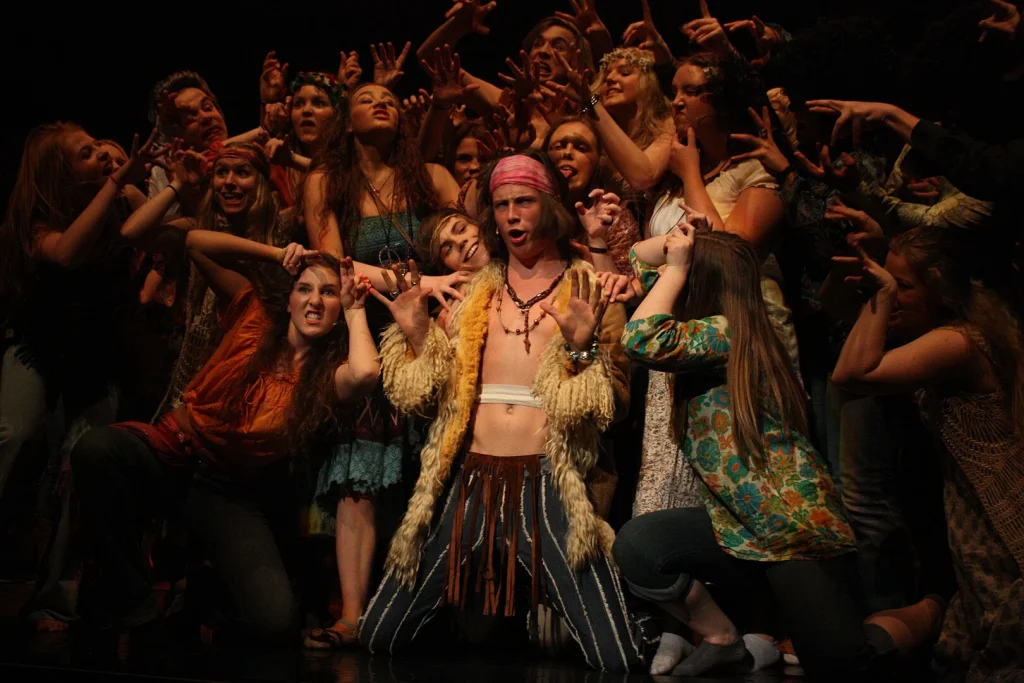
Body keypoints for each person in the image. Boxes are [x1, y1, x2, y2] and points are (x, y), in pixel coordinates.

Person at [359, 153, 652, 672]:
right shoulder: (473, 294)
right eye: (501, 205)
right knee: (379, 633)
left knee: (617, 656)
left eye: (524, 202)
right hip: (470, 482)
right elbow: (426, 404)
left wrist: (583, 349)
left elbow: (618, 406)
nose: (512, 215)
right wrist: (420, 335)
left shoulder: (589, 286)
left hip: (551, 486)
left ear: (550, 206)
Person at [612, 223, 945, 679]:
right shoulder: (709, 331)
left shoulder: (727, 333)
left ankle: (933, 609)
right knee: (639, 545)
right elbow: (637, 256)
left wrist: (677, 266)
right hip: (738, 528)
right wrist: (680, 239)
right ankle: (722, 637)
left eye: (682, 273)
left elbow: (640, 338)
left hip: (790, 530)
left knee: (844, 665)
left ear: (697, 282)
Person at [71, 233, 379, 641]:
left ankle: (202, 591)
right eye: (304, 289)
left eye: (329, 293)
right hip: (172, 453)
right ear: (288, 299)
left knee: (274, 622)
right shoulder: (254, 315)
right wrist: (277, 254)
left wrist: (356, 310)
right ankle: (134, 606)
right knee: (95, 450)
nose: (315, 301)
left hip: (226, 490)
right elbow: (196, 243)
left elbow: (365, 372)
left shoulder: (327, 377)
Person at [302, 81, 464, 648]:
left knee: (430, 470)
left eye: (393, 100)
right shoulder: (327, 181)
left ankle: (423, 609)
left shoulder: (433, 177)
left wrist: (439, 289)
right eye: (368, 97)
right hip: (364, 335)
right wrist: (416, 282)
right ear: (346, 120)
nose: (383, 103)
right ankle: (351, 615)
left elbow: (468, 242)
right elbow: (333, 263)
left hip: (431, 338)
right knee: (361, 477)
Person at [830, 228, 1024, 682]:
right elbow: (839, 325)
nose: (895, 295)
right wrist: (875, 290)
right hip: (971, 505)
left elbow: (851, 373)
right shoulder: (956, 331)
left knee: (1000, 635)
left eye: (905, 286)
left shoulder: (957, 342)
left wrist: (882, 295)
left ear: (940, 291)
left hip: (999, 510)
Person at [0, 123, 163, 629]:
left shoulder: (120, 200)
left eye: (99, 147)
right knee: (16, 435)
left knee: (81, 467)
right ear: (61, 172)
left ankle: (55, 598)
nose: (102, 156)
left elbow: (157, 235)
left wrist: (134, 184)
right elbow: (66, 253)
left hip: (101, 356)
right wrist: (117, 182)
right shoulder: (37, 220)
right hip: (38, 348)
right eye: (87, 153)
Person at [123, 143, 294, 420]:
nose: (229, 182)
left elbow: (325, 187)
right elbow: (132, 233)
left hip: (260, 362)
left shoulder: (282, 228)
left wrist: (292, 159)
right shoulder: (197, 226)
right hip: (204, 361)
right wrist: (179, 184)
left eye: (242, 173)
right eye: (221, 173)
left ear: (261, 182)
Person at [544, 116, 641, 276]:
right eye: (558, 146)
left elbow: (625, 286)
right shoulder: (528, 210)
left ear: (598, 162)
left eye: (581, 148)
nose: (567, 153)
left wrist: (597, 241)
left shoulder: (612, 216)